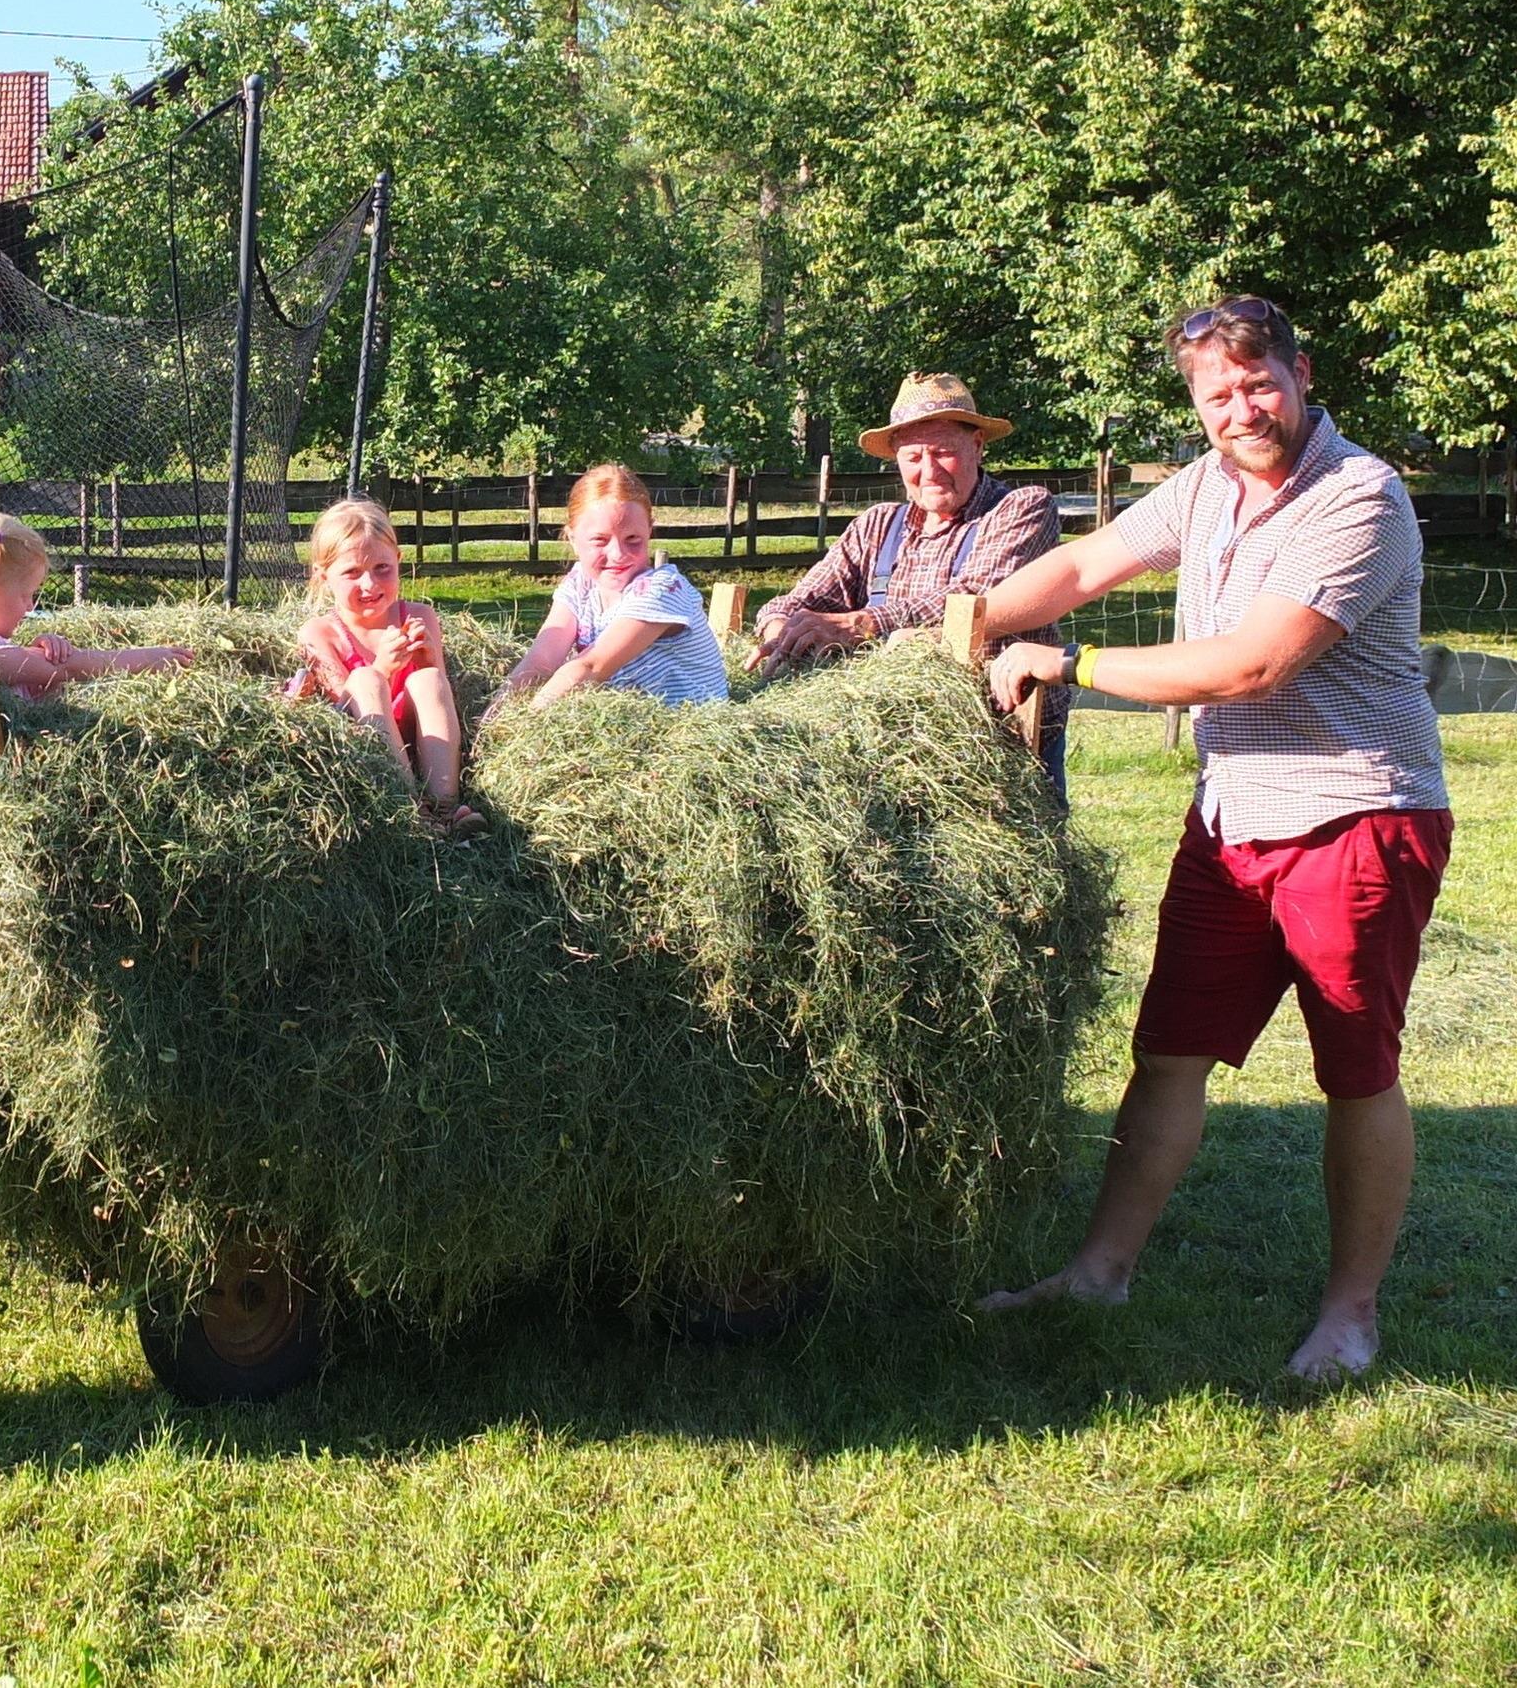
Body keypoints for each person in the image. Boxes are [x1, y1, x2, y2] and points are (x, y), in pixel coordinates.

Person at [974, 297, 1449, 1382]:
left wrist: (1070, 665)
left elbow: (1250, 665)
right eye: (1216, 395)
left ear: (1300, 372)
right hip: (1232, 820)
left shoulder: (1359, 496)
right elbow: (1082, 567)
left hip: (1355, 818)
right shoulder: (1204, 486)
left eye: (1257, 383)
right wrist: (967, 623)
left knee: (1356, 1071)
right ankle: (1098, 1273)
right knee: (1169, 1051)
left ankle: (1351, 1314)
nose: (1241, 410)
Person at [749, 372, 1069, 794]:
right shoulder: (878, 525)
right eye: (913, 457)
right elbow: (791, 603)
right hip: (890, 750)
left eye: (943, 452)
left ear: (977, 446)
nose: (929, 471)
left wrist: (862, 624)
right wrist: (783, 634)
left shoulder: (1021, 509)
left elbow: (976, 600)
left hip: (1000, 749)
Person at [287, 498, 478, 831]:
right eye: (352, 572)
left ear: (399, 561)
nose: (370, 584)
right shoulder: (319, 633)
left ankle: (445, 807)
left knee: (429, 679)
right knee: (365, 679)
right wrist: (383, 669)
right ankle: (411, 813)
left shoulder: (420, 616)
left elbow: (441, 697)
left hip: (422, 750)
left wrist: (428, 659)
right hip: (370, 763)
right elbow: (343, 712)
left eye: (382, 568)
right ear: (323, 575)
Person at [498, 463, 730, 709]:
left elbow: (590, 666)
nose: (618, 554)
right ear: (573, 538)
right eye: (600, 540)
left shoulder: (663, 590)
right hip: (628, 722)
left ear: (649, 531)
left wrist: (521, 723)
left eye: (633, 539)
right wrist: (493, 716)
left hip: (682, 724)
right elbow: (541, 660)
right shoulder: (580, 584)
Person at [0, 509, 191, 691]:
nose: (30, 606)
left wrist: (37, 651)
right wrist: (147, 658)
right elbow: (68, 669)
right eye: (25, 595)